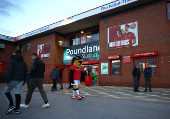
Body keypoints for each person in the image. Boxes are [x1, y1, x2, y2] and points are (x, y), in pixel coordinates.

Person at [3, 49, 27, 114]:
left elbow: (9, 71)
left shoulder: (12, 61)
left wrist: (7, 81)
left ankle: (11, 105)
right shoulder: (23, 62)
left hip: (13, 79)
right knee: (17, 94)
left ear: (14, 53)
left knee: (6, 91)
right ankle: (17, 109)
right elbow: (25, 72)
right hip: (21, 80)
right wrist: (24, 81)